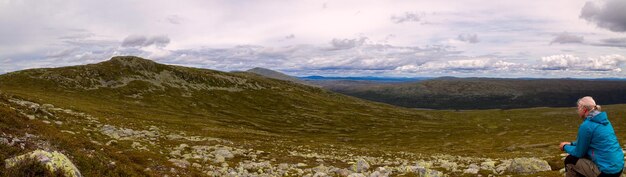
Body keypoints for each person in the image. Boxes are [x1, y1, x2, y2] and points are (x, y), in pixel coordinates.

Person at [560, 96, 624, 177]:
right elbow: (589, 142)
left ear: (584, 110)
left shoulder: (587, 126)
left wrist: (565, 146)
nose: (577, 111)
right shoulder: (605, 121)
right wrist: (572, 144)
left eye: (578, 108)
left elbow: (578, 153)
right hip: (618, 168)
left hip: (606, 173)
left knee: (570, 160)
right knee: (585, 157)